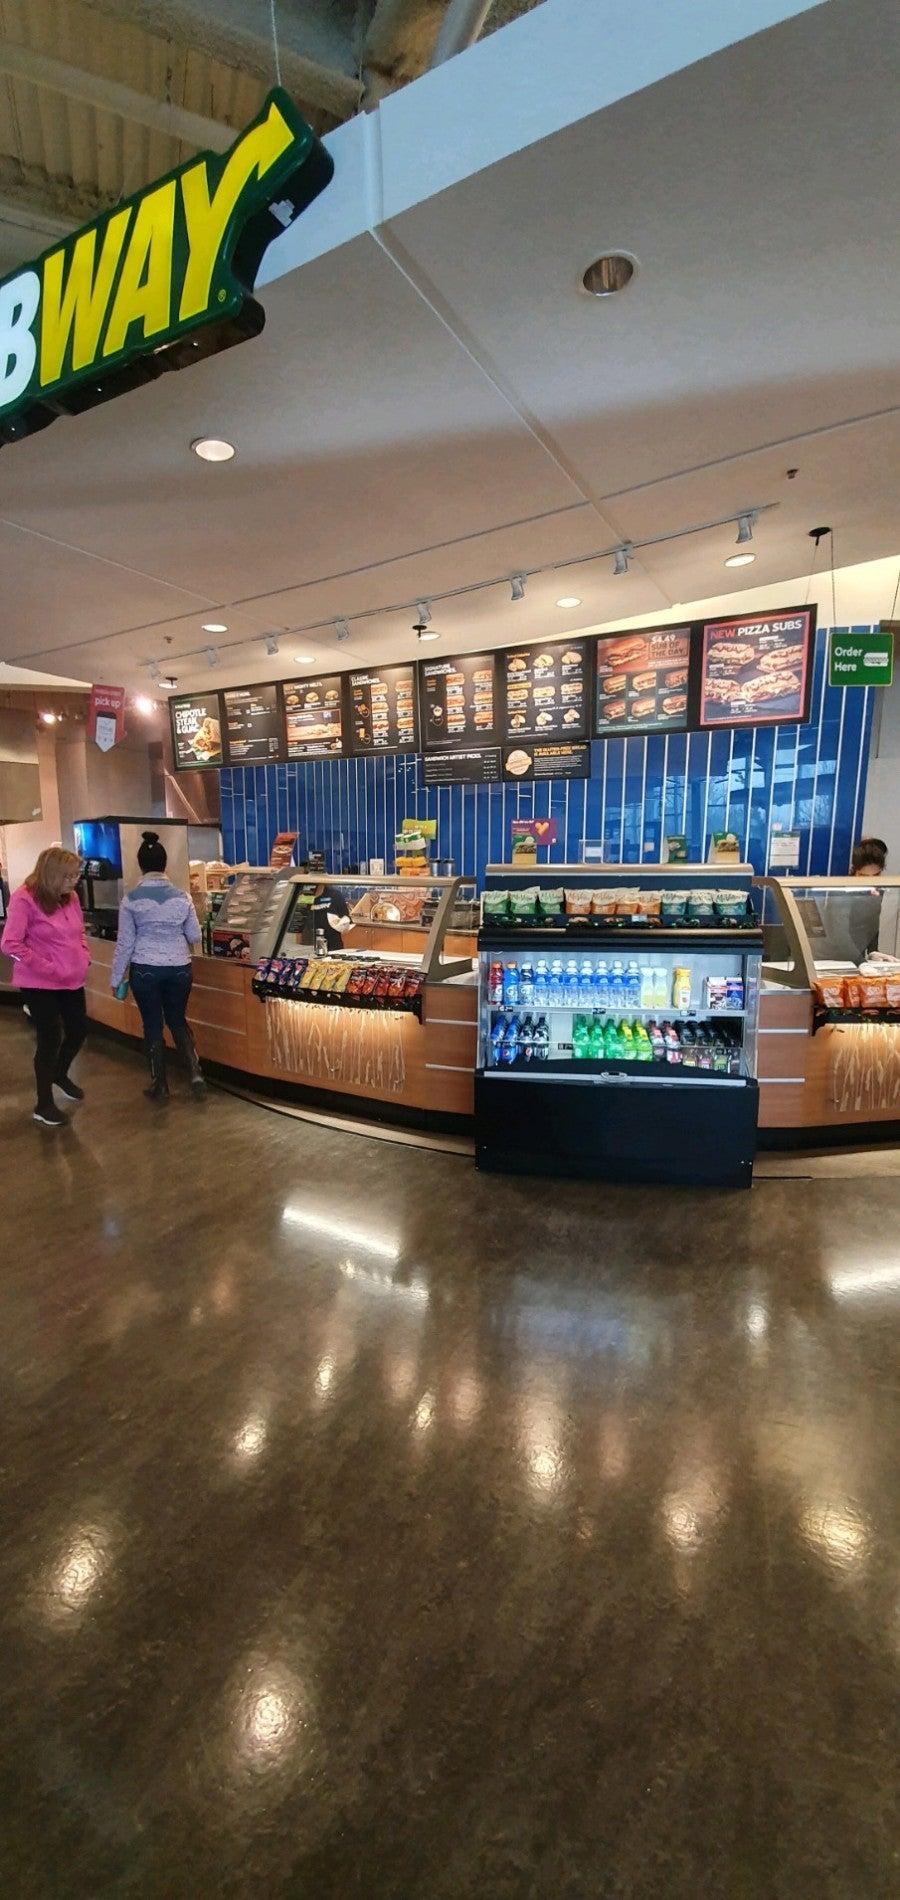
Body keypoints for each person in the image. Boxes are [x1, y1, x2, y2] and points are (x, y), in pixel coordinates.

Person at [110, 831, 205, 1102]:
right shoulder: (183, 898)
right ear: (165, 864)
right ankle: (195, 1073)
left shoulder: (130, 900)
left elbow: (125, 943)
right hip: (179, 968)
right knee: (177, 1019)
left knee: (152, 1024)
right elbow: (195, 936)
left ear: (141, 865)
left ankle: (160, 1085)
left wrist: (116, 978)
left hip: (145, 969)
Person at [0, 846, 90, 1127]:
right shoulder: (24, 899)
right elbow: (9, 944)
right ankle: (44, 1104)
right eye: (68, 876)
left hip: (71, 979)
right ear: (52, 875)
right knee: (50, 1038)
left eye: (76, 875)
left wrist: (83, 954)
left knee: (78, 1030)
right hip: (39, 982)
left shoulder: (70, 897)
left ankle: (59, 1073)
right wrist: (47, 967)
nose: (74, 881)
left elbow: (79, 932)